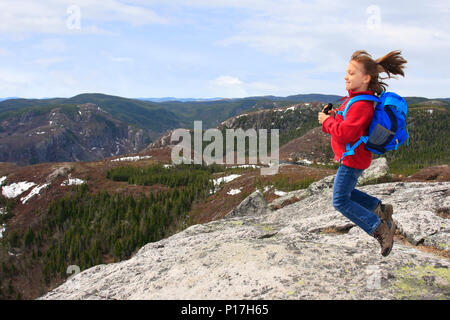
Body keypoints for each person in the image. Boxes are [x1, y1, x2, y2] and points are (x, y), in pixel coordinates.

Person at [318, 50, 407, 257]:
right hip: (353, 157)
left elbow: (346, 133)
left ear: (366, 78)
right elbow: (348, 126)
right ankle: (381, 209)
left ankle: (379, 228)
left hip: (353, 159)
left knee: (340, 200)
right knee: (346, 193)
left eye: (351, 73)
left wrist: (327, 122)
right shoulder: (358, 100)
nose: (345, 76)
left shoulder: (362, 104)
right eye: (346, 72)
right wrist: (333, 116)